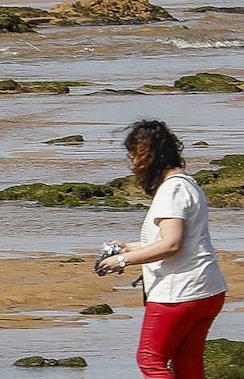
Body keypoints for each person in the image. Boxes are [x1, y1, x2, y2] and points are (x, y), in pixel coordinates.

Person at [95, 120, 228, 379]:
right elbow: (178, 240)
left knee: (150, 359)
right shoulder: (187, 184)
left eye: (134, 155)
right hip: (207, 290)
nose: (132, 163)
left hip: (179, 293)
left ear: (149, 155)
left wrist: (123, 260)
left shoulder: (172, 190)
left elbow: (171, 244)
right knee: (186, 360)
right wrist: (129, 247)